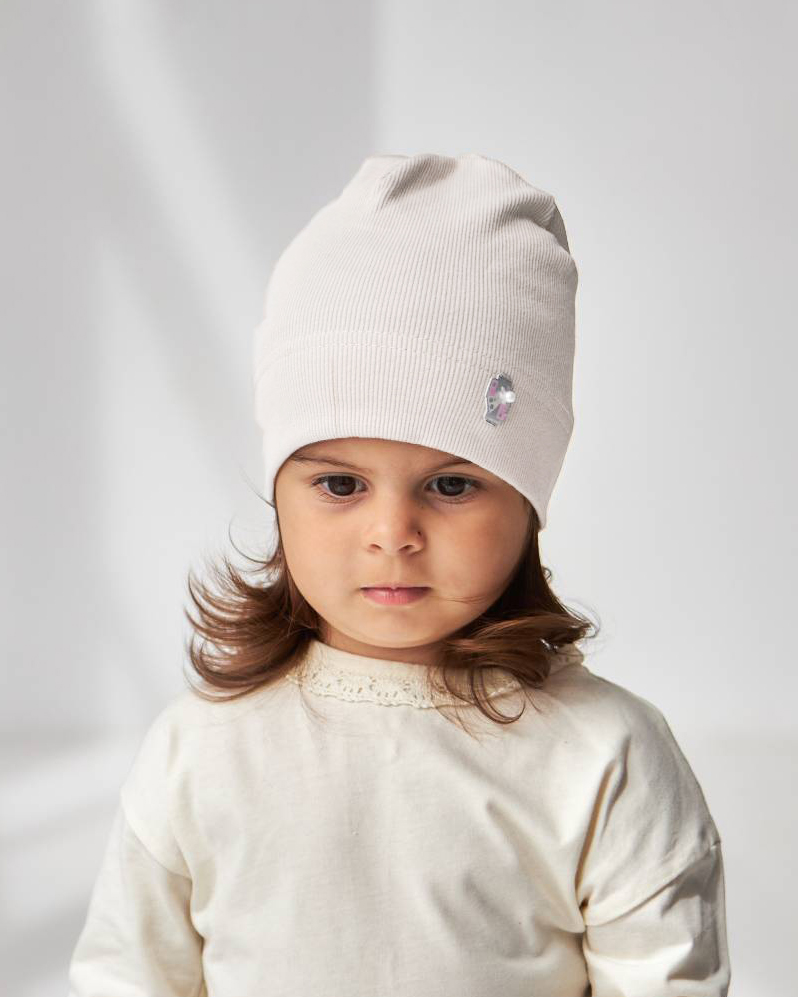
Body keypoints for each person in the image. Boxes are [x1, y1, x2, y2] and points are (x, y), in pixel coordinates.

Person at [68, 152, 731, 996]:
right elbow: (128, 976)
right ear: (280, 494)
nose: (393, 534)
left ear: (527, 502)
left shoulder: (605, 754)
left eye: (451, 485)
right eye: (340, 485)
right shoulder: (201, 748)